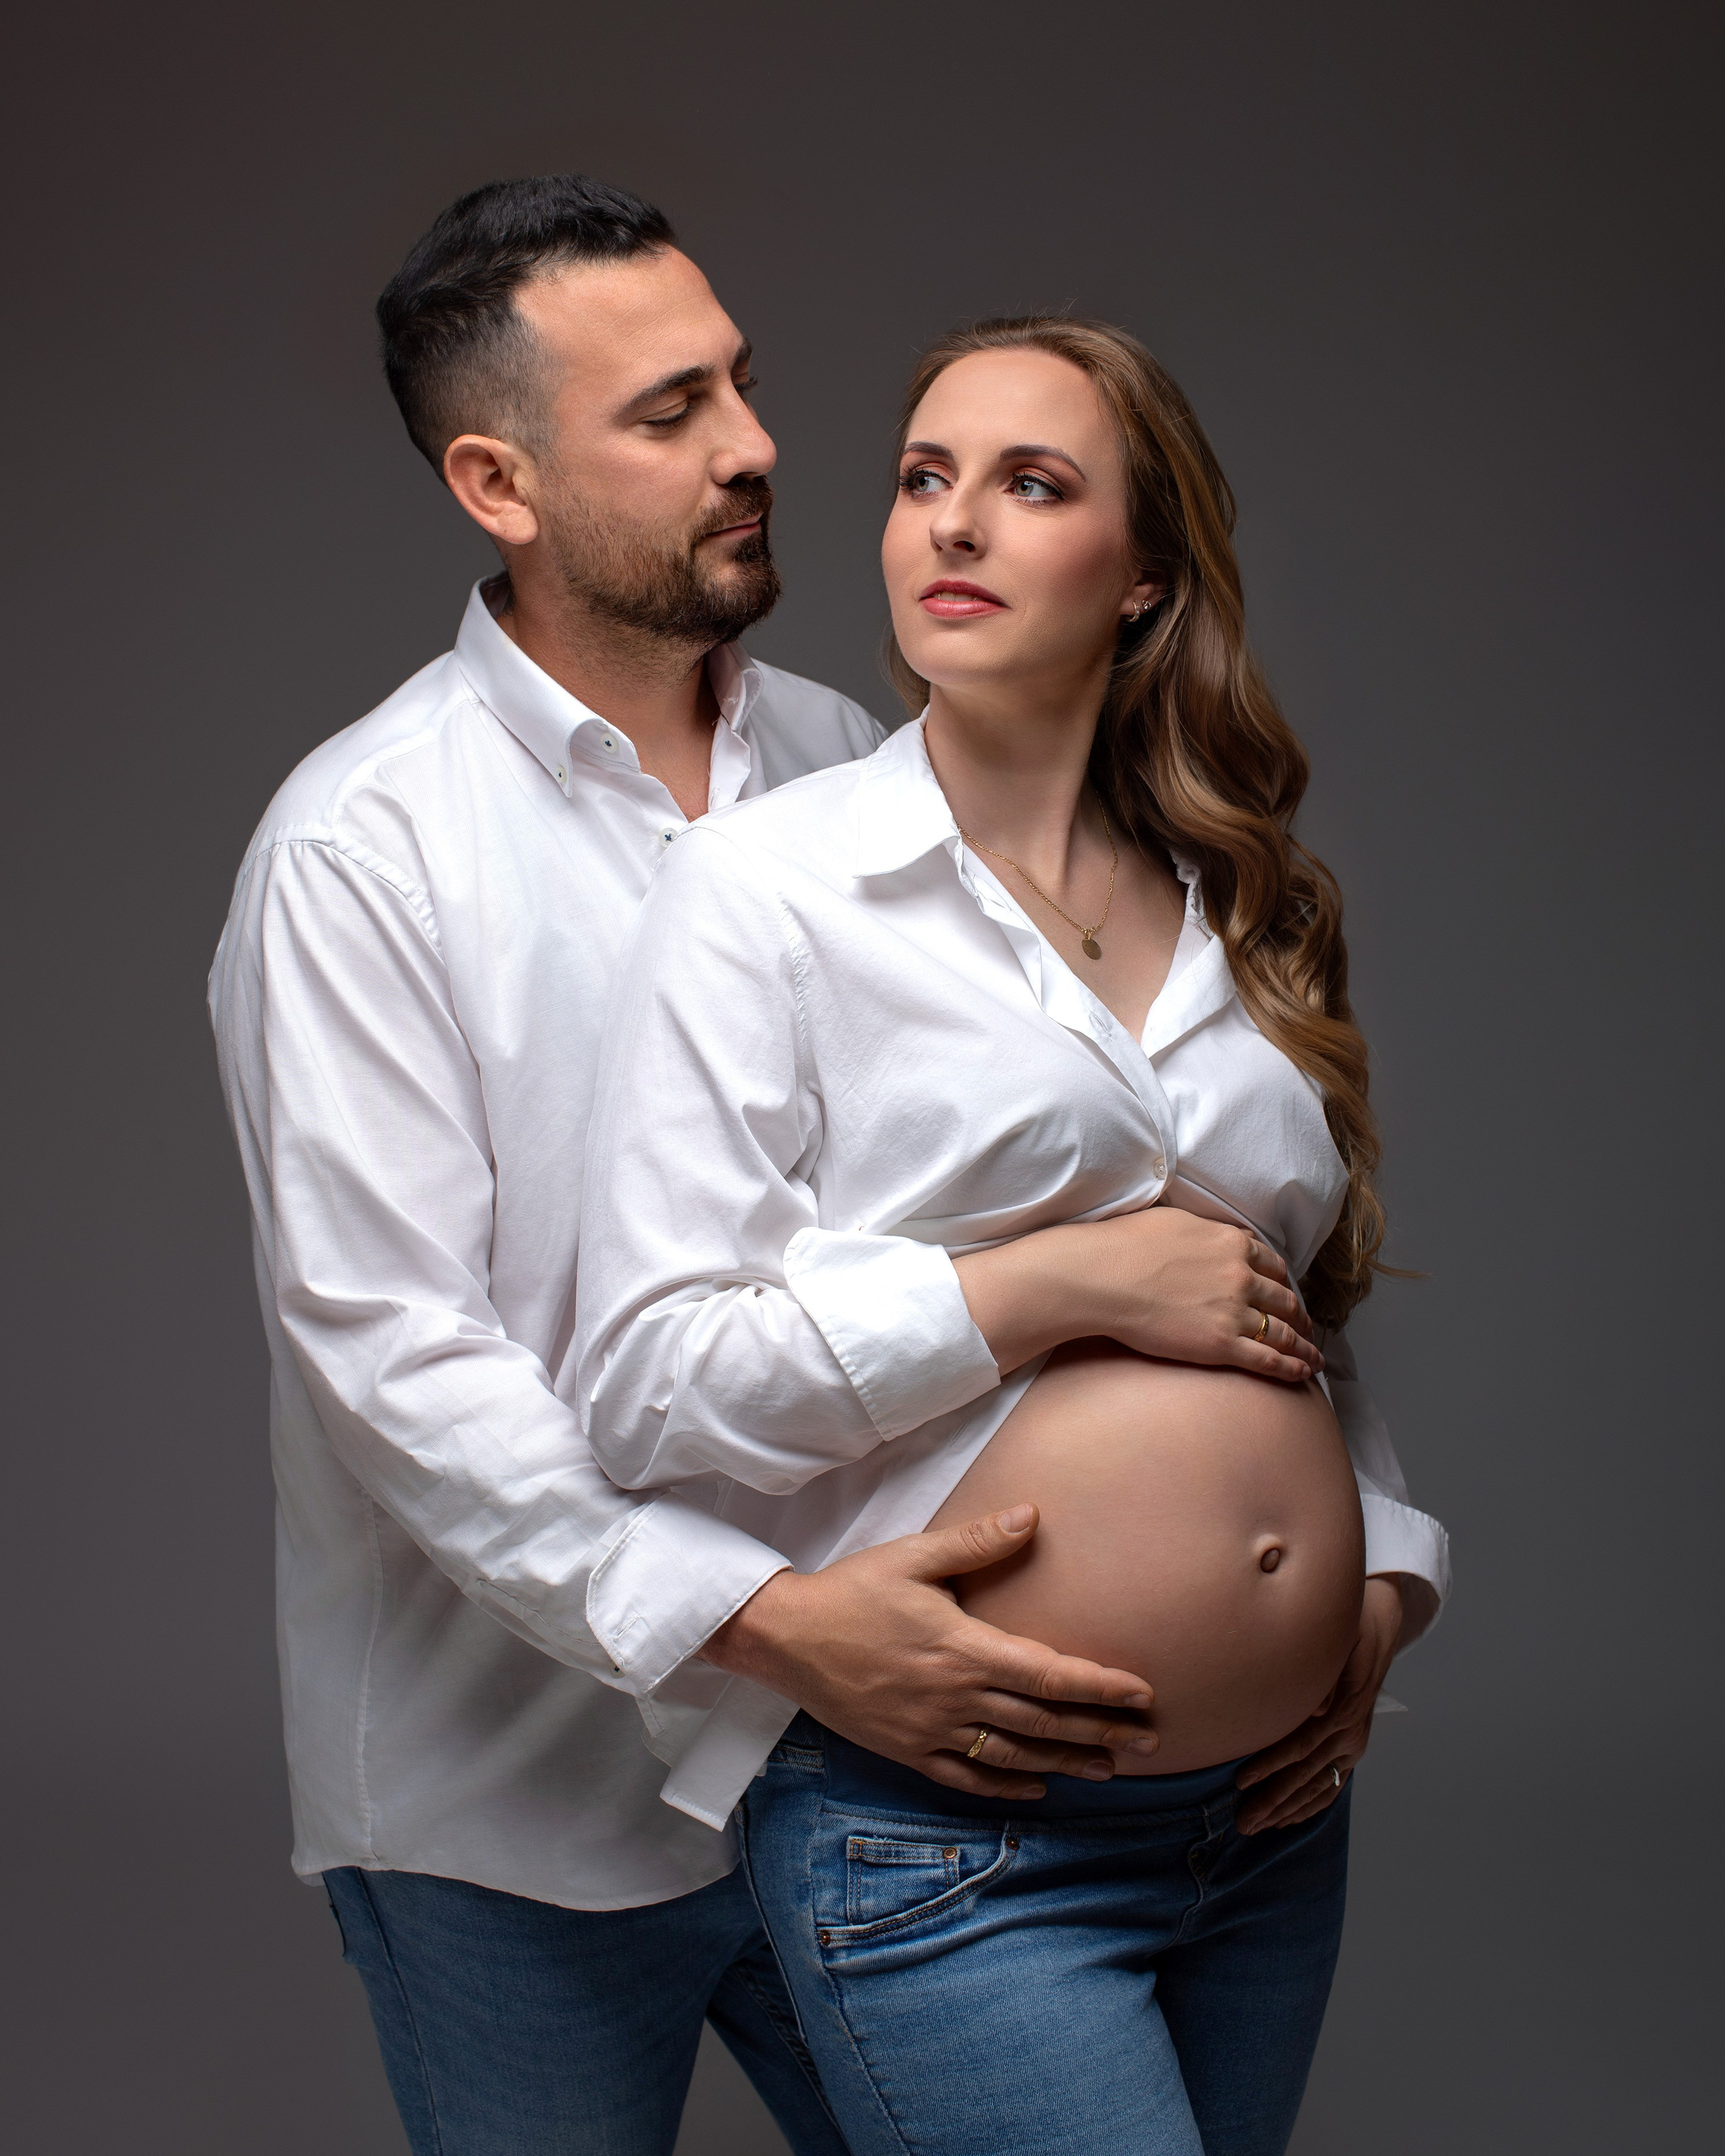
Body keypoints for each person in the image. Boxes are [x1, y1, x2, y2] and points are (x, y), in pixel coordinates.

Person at [208, 178, 1185, 2156]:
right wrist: (762, 1618)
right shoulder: (362, 855)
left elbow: (1031, 1195)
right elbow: (399, 1353)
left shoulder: (855, 764)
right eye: (668, 414)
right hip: (520, 1804)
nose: (754, 448)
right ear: (500, 481)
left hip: (873, 1760)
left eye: (741, 383)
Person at [575, 317, 1451, 2155]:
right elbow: (649, 1377)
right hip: (961, 1831)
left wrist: (1382, 1580)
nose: (950, 527)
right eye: (922, 479)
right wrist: (1040, 1288)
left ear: (1144, 576)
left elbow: (1290, 1316)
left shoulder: (1243, 902)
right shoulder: (763, 891)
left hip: (1275, 1824)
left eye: (1030, 484)